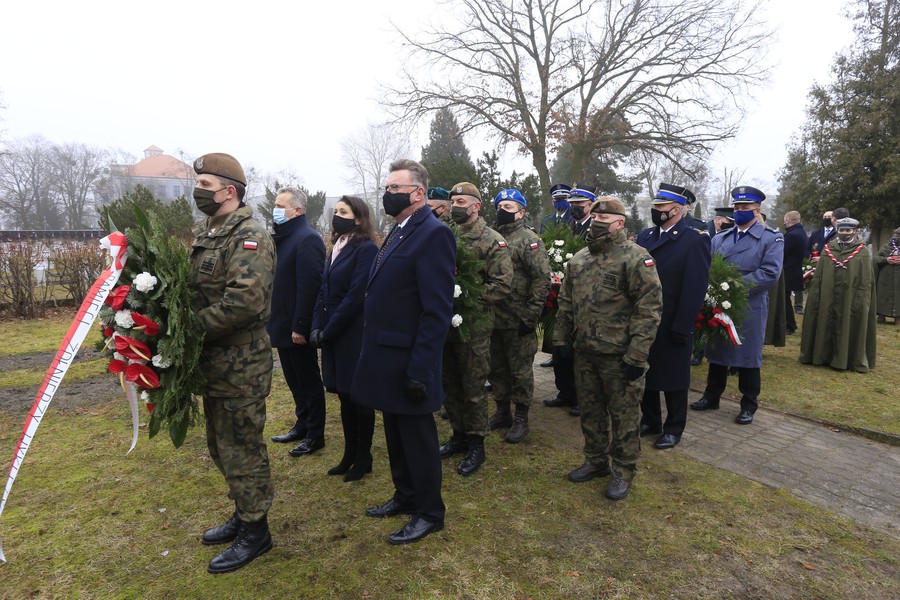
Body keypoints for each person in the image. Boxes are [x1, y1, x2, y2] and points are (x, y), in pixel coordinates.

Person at [352, 159, 455, 545]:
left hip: (411, 359)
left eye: (395, 188)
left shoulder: (433, 234)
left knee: (418, 438)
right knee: (395, 433)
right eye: (387, 187)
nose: (387, 193)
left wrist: (421, 368)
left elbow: (436, 310)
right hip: (387, 355)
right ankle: (405, 494)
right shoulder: (399, 230)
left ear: (418, 193)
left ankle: (429, 512)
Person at [189, 152, 275, 573]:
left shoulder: (249, 235)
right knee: (220, 445)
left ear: (229, 190)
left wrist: (187, 328)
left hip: (241, 362)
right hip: (215, 360)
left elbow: (244, 302)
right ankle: (244, 513)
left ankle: (257, 532)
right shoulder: (208, 232)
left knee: (242, 446)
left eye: (205, 185)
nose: (198, 192)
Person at [552, 196, 662, 500]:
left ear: (620, 224)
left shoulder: (636, 259)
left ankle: (623, 471)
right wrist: (561, 340)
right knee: (590, 411)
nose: (597, 226)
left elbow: (649, 309)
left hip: (620, 355)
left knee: (624, 415)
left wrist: (637, 355)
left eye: (604, 222)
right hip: (585, 352)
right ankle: (595, 461)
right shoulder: (579, 259)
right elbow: (565, 303)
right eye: (595, 221)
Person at [690, 186, 784, 425]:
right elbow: (708, 266)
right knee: (717, 350)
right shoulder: (721, 238)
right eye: (737, 207)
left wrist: (733, 286)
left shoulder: (771, 238)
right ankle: (712, 396)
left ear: (757, 210)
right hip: (719, 303)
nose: (740, 210)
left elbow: (770, 273)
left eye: (745, 207)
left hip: (749, 304)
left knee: (748, 356)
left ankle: (748, 404)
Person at [438, 181, 513, 476]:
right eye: (453, 200)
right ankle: (457, 434)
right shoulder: (446, 236)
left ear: (476, 206)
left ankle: (476, 444)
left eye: (461, 201)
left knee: (473, 386)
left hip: (475, 325)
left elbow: (503, 284)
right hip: (445, 323)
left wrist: (467, 299)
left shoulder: (492, 240)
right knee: (450, 382)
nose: (455, 205)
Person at [635, 183, 711, 450]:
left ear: (677, 210)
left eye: (661, 207)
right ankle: (651, 420)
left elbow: (695, 287)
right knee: (647, 371)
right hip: (645, 318)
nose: (656, 211)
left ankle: (674, 427)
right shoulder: (645, 237)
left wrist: (683, 325)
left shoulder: (695, 239)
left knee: (675, 377)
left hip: (672, 318)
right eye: (654, 206)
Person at [309, 196, 378, 481]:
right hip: (332, 329)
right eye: (335, 211)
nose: (337, 215)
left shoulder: (366, 248)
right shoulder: (336, 246)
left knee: (359, 396)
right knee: (343, 396)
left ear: (359, 219)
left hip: (352, 331)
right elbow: (324, 290)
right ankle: (349, 453)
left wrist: (330, 330)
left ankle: (364, 456)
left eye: (344, 211)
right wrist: (315, 325)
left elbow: (355, 296)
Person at [487, 189, 551, 443]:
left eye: (509, 207)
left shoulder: (529, 240)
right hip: (493, 316)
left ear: (521, 212)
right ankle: (502, 411)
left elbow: (541, 279)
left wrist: (530, 315)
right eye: (500, 205)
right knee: (497, 367)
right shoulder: (491, 237)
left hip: (518, 318)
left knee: (520, 370)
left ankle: (521, 417)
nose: (503, 210)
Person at [267, 187, 327, 458]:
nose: (275, 210)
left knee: (308, 381)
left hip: (296, 327)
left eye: (281, 206)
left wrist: (301, 325)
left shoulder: (307, 239)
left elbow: (310, 288)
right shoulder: (283, 238)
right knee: (294, 380)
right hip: (280, 323)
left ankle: (315, 434)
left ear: (297, 210)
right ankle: (302, 424)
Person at [543, 183, 596, 416]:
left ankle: (580, 397)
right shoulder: (564, 225)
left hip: (583, 298)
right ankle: (564, 392)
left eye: (579, 205)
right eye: (572, 204)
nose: (574, 208)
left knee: (578, 351)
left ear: (590, 205)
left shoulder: (594, 229)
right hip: (560, 295)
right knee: (560, 346)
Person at [800, 217, 877, 372]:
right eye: (841, 230)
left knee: (848, 320)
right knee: (825, 318)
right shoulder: (829, 250)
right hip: (828, 296)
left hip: (851, 297)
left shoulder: (861, 253)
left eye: (848, 230)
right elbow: (820, 276)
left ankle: (845, 358)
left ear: (854, 231)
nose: (844, 233)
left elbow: (865, 281)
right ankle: (822, 355)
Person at [782, 211, 810, 329]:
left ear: (787, 221)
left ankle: (790, 325)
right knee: (786, 299)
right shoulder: (800, 232)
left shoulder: (792, 235)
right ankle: (790, 324)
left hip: (788, 271)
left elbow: (781, 252)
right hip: (794, 270)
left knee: (785, 300)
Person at [875, 227, 900, 324]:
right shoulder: (887, 247)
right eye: (897, 234)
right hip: (886, 278)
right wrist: (887, 260)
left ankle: (898, 318)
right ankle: (881, 316)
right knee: (883, 295)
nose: (897, 237)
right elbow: (876, 258)